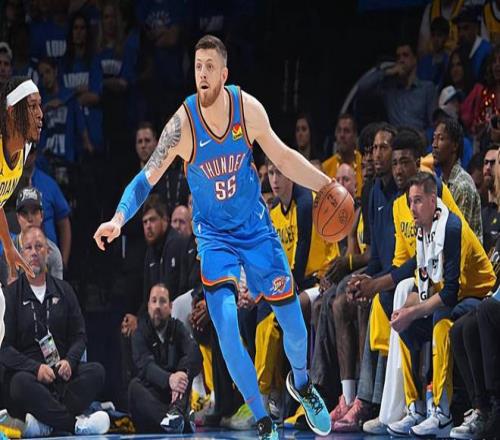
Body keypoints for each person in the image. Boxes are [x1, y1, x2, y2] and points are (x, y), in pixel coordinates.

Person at [94, 34, 332, 439]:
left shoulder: (247, 108)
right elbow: (146, 177)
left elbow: (283, 155)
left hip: (255, 230)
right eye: (197, 67)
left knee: (293, 323)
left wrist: (325, 185)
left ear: (224, 73)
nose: (201, 74)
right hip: (215, 238)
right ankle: (262, 419)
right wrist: (118, 219)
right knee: (226, 325)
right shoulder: (183, 124)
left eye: (209, 67)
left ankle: (303, 383)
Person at [389, 172, 495, 438]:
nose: (412, 208)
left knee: (441, 320)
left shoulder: (451, 228)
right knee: (404, 325)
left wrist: (413, 311)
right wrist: (406, 310)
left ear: (432, 199)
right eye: (410, 201)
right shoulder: (422, 229)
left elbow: (448, 294)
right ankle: (415, 406)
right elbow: (423, 284)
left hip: (478, 295)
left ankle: (442, 412)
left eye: (417, 201)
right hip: (454, 295)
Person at [0, 225, 110, 436]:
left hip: (61, 376)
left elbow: (80, 335)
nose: (34, 252)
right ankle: (74, 425)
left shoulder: (64, 290)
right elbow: (4, 349)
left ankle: (45, 424)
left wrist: (70, 361)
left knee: (96, 372)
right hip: (30, 377)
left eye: (39, 246)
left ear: (48, 251)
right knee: (18, 384)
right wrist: (36, 369)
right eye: (28, 248)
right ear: (20, 254)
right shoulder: (11, 295)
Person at [0, 76, 43, 347]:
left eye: (40, 106)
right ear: (11, 112)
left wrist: (8, 248)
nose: (40, 114)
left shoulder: (25, 150)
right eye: (32, 106)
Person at [128, 283, 202, 433]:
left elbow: (195, 353)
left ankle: (175, 416)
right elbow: (146, 366)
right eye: (154, 301)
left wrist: (182, 373)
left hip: (175, 397)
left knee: (185, 369)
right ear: (148, 305)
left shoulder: (177, 328)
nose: (157, 306)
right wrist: (169, 379)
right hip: (151, 400)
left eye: (162, 301)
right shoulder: (140, 332)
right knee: (134, 387)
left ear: (170, 306)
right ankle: (174, 420)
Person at [0, 187, 63, 285]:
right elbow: (8, 290)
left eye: (34, 212)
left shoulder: (53, 252)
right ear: (17, 217)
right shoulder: (8, 251)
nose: (30, 218)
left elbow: (57, 291)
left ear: (42, 216)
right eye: (24, 213)